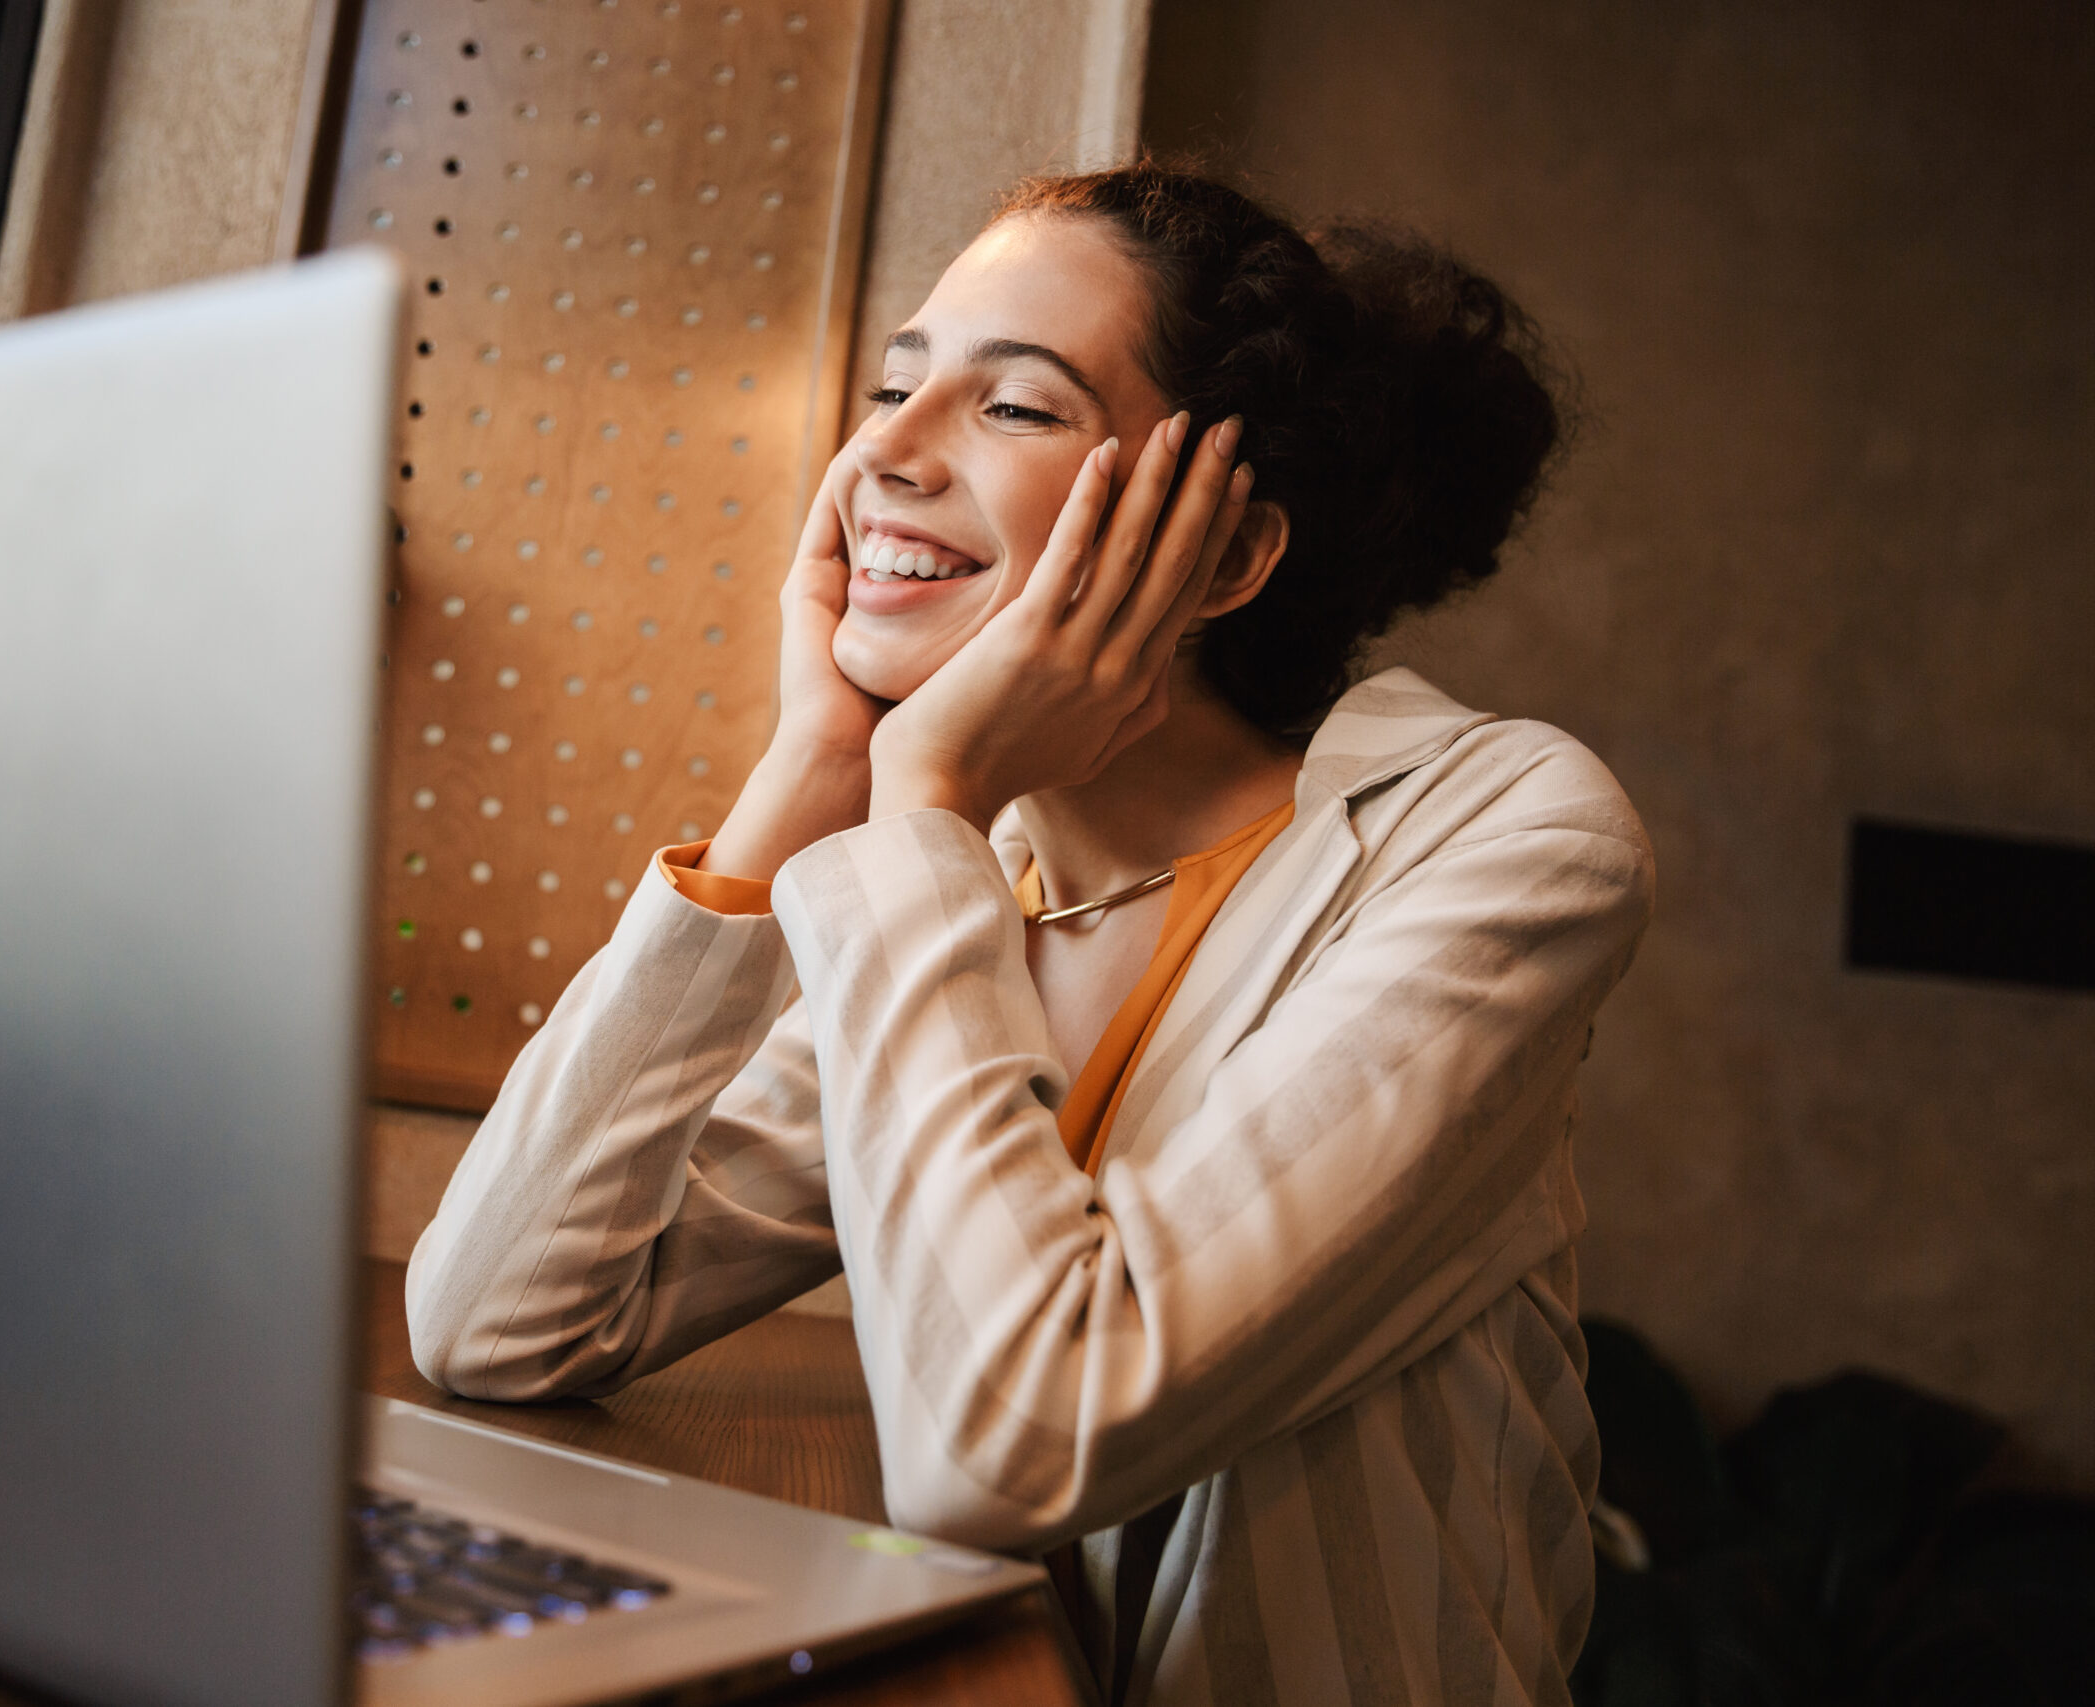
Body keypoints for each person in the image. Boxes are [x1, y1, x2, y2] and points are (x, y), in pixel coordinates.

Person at [406, 161, 1655, 1706]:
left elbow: (1010, 1447)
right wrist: (810, 780)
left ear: (1225, 552)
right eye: (894, 386)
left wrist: (919, 790)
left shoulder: (1502, 835)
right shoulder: (986, 871)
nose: (886, 454)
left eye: (1015, 408)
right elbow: (500, 1317)